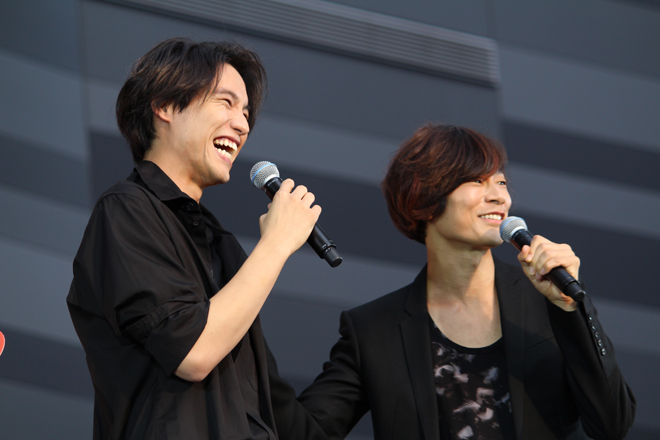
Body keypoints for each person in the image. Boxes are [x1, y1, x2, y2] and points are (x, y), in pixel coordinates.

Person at [270, 124, 635, 440]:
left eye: (501, 181)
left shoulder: (547, 299)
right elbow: (304, 431)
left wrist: (571, 310)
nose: (500, 196)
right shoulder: (374, 331)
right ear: (425, 197)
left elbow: (611, 424)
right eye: (477, 181)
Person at [67, 37, 322, 439]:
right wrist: (276, 244)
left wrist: (372, 351)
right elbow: (193, 351)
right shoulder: (126, 210)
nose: (242, 125)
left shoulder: (222, 245)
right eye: (226, 103)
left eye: (246, 113)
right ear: (166, 106)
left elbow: (277, 408)